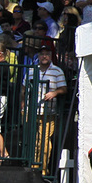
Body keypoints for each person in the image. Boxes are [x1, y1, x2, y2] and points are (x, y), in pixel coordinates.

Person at [32, 43, 67, 172]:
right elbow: (24, 89)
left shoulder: (57, 71)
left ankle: (42, 167)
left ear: (51, 56)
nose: (44, 56)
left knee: (44, 139)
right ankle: (34, 164)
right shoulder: (32, 70)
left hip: (48, 110)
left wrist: (54, 93)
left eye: (47, 54)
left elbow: (64, 88)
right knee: (35, 139)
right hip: (32, 110)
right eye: (42, 54)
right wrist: (23, 104)